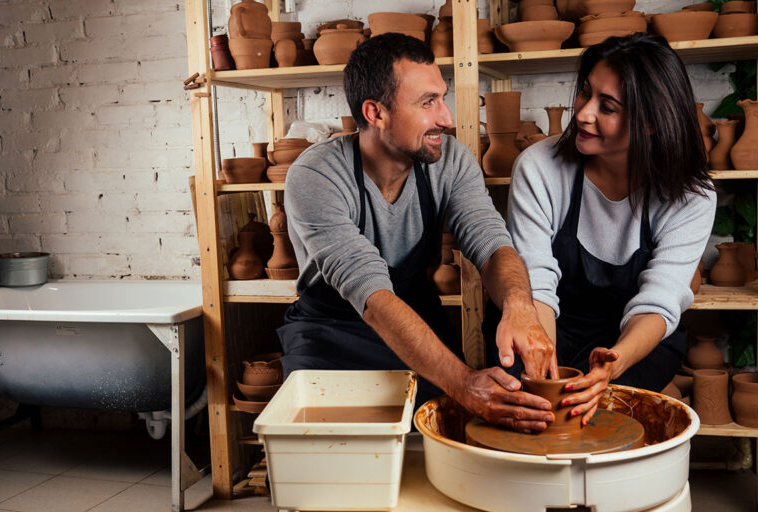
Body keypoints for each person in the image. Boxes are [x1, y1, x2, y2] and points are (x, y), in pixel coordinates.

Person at [279, 33, 558, 432]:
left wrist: (519, 306)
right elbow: (372, 297)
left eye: (442, 98)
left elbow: (491, 242)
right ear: (376, 113)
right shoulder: (315, 175)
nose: (446, 118)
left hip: (418, 321)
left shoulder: (450, 160)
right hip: (332, 333)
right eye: (428, 103)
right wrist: (463, 383)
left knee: (444, 443)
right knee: (329, 456)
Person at [492, 33, 716, 426]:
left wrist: (612, 366)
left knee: (609, 418)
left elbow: (660, 299)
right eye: (584, 92)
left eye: (607, 107)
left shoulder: (691, 195)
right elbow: (537, 284)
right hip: (545, 323)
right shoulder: (539, 168)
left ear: (650, 122)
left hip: (632, 337)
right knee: (527, 403)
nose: (582, 113)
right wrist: (548, 371)